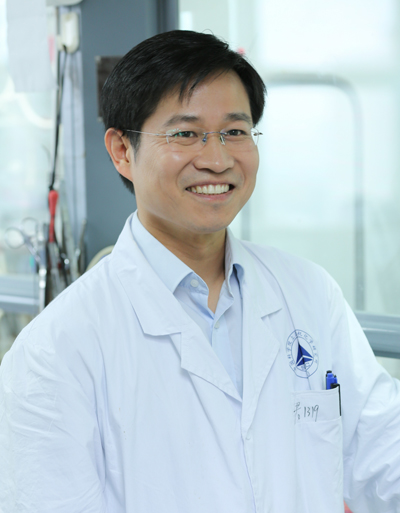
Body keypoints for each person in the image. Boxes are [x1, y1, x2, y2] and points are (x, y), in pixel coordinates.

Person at [0, 30, 399, 513]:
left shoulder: (309, 292)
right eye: (185, 134)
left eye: (235, 132)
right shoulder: (54, 352)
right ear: (122, 150)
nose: (217, 159)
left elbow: (382, 452)